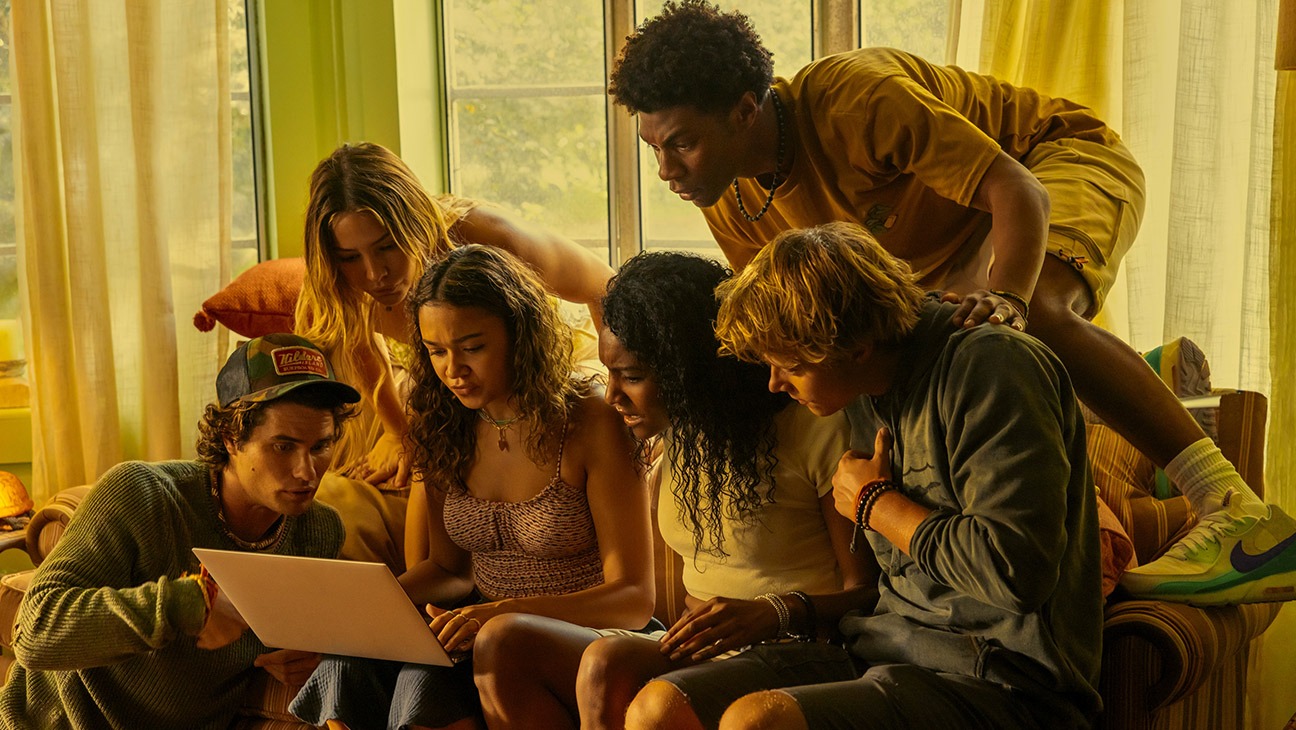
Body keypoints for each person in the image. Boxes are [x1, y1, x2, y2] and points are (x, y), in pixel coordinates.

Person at [607, 0, 1296, 604]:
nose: (665, 171)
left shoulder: (854, 101)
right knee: (907, 362)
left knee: (1034, 325)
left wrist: (1010, 304)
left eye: (683, 144)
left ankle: (1233, 505)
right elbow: (796, 336)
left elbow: (1017, 190)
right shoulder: (728, 194)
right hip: (939, 245)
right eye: (654, 149)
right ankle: (1147, 374)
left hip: (1050, 166)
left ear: (745, 111)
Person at [696, 222, 1101, 729]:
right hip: (885, 649)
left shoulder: (993, 367)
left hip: (1004, 682)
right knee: (660, 706)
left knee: (756, 723)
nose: (776, 384)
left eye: (792, 367)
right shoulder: (865, 384)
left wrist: (876, 505)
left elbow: (1014, 571)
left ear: (857, 347)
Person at [472, 252, 878, 730]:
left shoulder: (813, 427)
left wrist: (773, 612)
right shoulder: (680, 429)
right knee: (508, 645)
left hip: (801, 651)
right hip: (700, 650)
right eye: (610, 373)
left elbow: (870, 594)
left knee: (633, 685)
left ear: (690, 367)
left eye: (633, 376)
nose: (612, 396)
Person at [289, 244, 654, 730]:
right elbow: (448, 569)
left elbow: (633, 597)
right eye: (436, 351)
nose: (452, 370)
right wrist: (364, 616)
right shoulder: (441, 421)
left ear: (519, 335)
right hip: (481, 631)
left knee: (493, 643)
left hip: (588, 638)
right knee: (349, 662)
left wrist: (502, 612)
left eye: (472, 347)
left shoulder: (589, 421)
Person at [0, 333, 361, 730]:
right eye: (283, 447)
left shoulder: (319, 532)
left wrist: (316, 657)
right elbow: (34, 632)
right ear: (231, 437)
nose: (306, 472)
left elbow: (311, 639)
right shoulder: (141, 494)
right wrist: (188, 604)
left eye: (321, 446)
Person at [295, 142, 613, 571]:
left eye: (388, 246)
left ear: (416, 224)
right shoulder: (338, 286)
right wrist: (397, 431)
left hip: (558, 360)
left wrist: (621, 387)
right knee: (427, 447)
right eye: (351, 257)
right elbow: (363, 347)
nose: (374, 274)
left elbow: (607, 285)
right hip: (458, 373)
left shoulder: (487, 236)